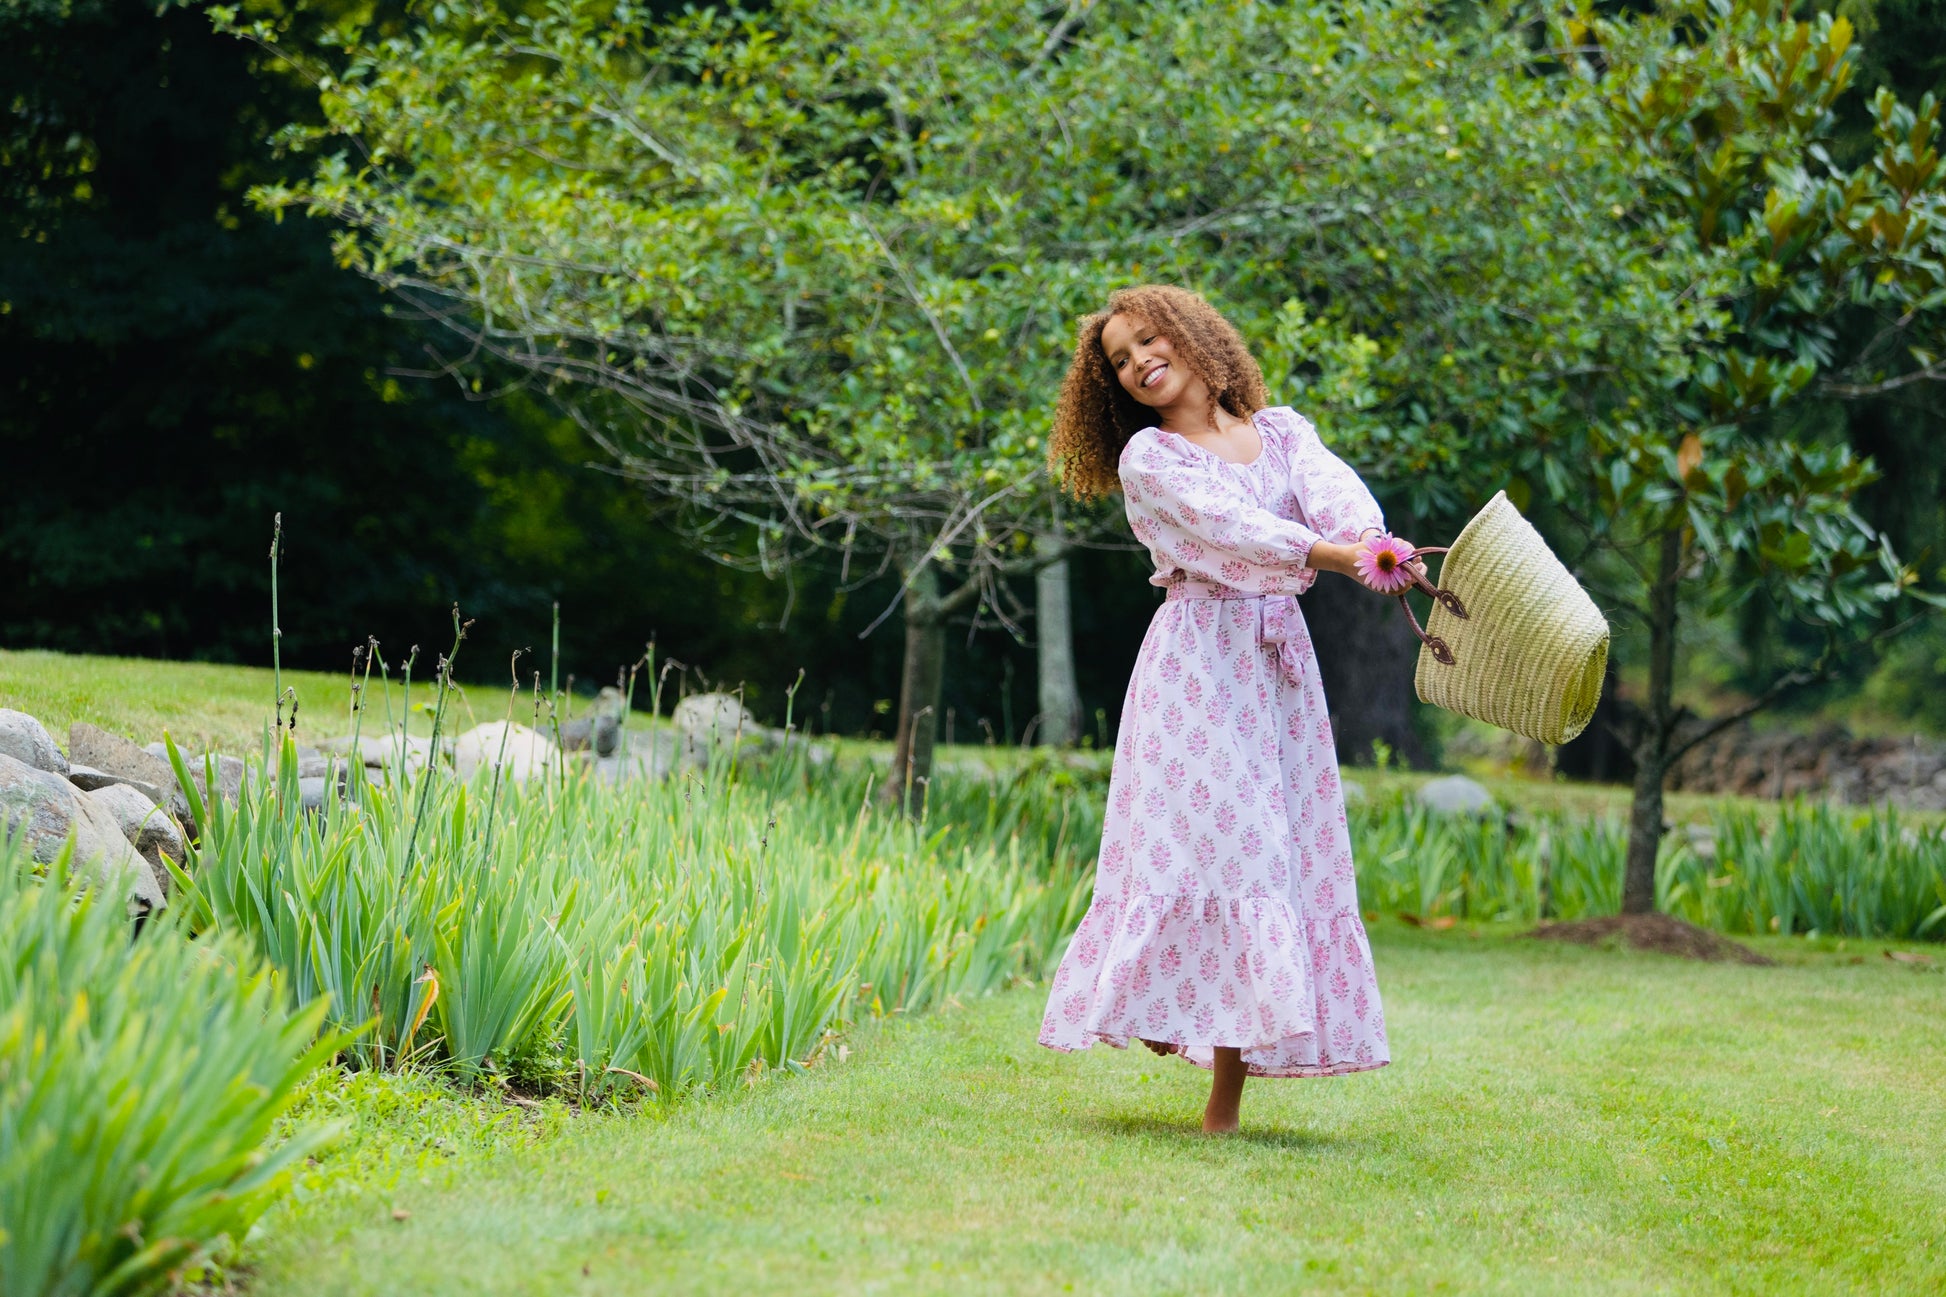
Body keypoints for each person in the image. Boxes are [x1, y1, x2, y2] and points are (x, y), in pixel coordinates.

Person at [1037, 284, 1418, 1134]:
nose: (1138, 362)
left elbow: (1337, 494)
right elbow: (1234, 530)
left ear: (1192, 333)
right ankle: (1205, 1074)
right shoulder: (1152, 462)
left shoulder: (1281, 430)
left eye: (1147, 341)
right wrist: (1337, 555)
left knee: (1273, 858)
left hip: (1276, 666)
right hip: (1198, 670)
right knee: (1228, 850)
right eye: (1120, 360)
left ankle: (1224, 1083)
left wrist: (1374, 541)